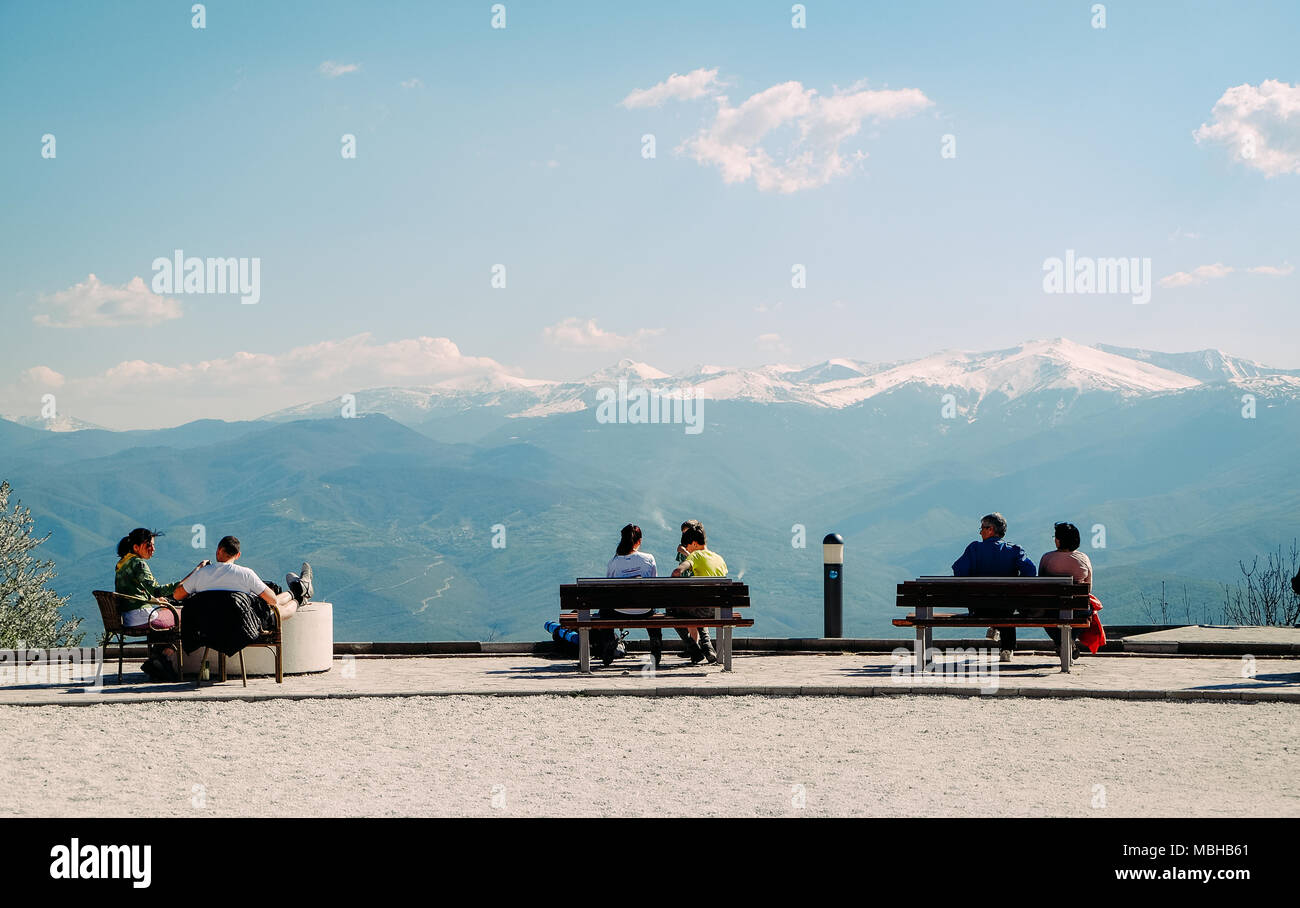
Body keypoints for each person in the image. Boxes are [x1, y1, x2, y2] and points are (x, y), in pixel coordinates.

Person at [114, 527, 209, 681]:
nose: (153, 549)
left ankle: (158, 659)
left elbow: (133, 592)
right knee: (186, 615)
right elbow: (158, 590)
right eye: (148, 545)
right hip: (141, 616)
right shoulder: (139, 564)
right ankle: (164, 655)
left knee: (172, 614)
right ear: (136, 547)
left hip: (128, 615)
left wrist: (153, 600)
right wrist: (195, 573)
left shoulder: (122, 564)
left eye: (153, 545)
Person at [952, 512, 1036, 662]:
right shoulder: (1015, 550)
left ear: (991, 529)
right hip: (1006, 607)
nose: (980, 531)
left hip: (979, 607)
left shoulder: (974, 549)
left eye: (983, 528)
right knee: (1005, 609)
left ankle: (996, 627)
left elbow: (959, 571)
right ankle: (1007, 648)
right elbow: (1031, 572)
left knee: (992, 603)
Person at [599, 524, 661, 666]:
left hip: (619, 611)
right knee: (653, 608)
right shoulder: (649, 558)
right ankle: (655, 640)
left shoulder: (614, 562)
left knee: (603, 612)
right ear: (639, 541)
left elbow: (609, 587)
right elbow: (653, 583)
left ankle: (609, 641)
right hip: (645, 611)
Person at [670, 522, 727, 664]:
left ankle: (693, 649)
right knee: (698, 605)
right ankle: (707, 646)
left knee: (671, 610)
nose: (687, 549)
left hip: (702, 610)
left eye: (688, 546)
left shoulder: (695, 557)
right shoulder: (719, 558)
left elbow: (677, 572)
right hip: (718, 611)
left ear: (694, 544)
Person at [1037, 522, 1093, 658]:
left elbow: (1040, 584)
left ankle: (1062, 642)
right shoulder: (1083, 559)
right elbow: (1089, 588)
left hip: (1051, 609)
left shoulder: (1047, 558)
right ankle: (1070, 640)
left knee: (1043, 614)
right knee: (1088, 610)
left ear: (1059, 540)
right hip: (1078, 609)